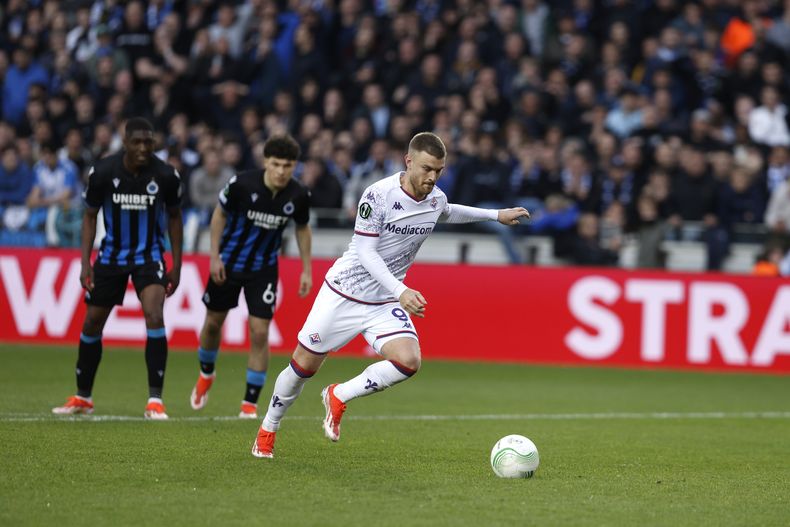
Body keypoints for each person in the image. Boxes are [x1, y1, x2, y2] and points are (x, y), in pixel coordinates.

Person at [250, 132, 529, 458]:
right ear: (408, 161)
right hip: (345, 293)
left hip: (383, 301)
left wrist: (497, 215)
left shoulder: (434, 197)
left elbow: (448, 210)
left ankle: (339, 395)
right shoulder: (378, 196)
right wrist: (401, 290)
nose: (432, 177)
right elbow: (367, 253)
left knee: (409, 361)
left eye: (439, 170)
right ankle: (268, 428)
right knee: (302, 369)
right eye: (426, 168)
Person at [52, 117, 183, 419]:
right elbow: (89, 215)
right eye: (136, 142)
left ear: (154, 143)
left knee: (154, 314)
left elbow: (175, 218)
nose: (142, 148)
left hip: (149, 257)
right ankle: (83, 397)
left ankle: (155, 400)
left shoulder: (166, 175)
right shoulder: (103, 171)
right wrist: (86, 262)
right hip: (110, 258)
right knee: (92, 323)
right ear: (124, 143)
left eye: (148, 142)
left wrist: (177, 264)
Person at [190, 134, 312, 419]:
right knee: (212, 324)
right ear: (266, 162)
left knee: (259, 332)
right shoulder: (242, 184)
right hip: (229, 264)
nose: (282, 171)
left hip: (264, 269)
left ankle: (249, 404)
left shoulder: (298, 194)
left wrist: (306, 269)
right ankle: (206, 373)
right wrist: (214, 256)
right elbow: (219, 215)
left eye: (288, 165)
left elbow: (302, 228)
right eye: (277, 164)